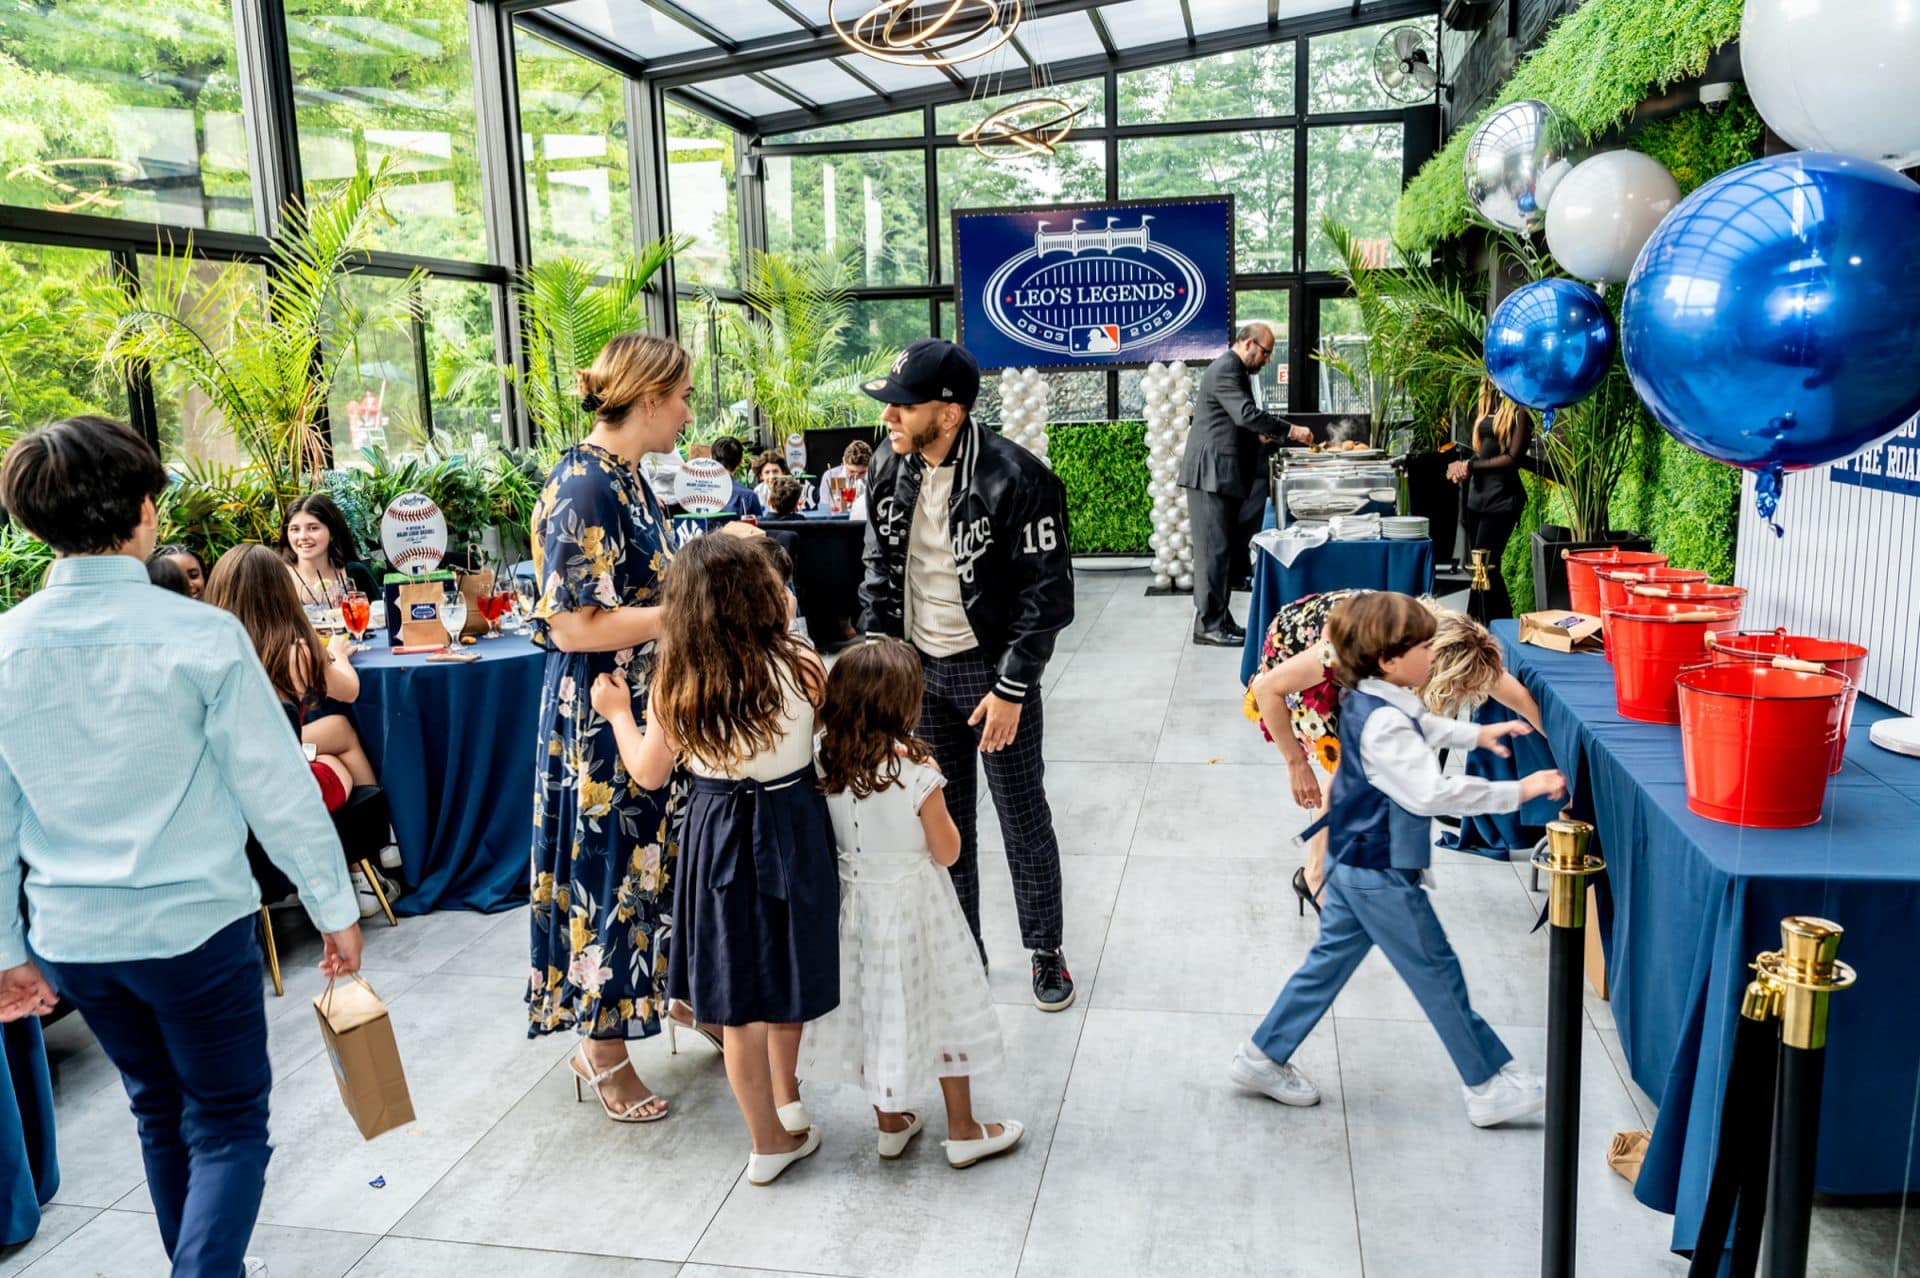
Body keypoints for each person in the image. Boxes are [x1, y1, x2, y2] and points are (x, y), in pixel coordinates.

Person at [0, 416, 362, 1276]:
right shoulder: (200, 635)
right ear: (144, 510)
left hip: (76, 939)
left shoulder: (6, 646)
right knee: (229, 1125)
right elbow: (277, 791)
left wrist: (7, 947)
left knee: (159, 1114)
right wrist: (333, 905)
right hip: (194, 929)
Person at [1228, 592, 1565, 1127]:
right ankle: (1486, 1086)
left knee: (1327, 966)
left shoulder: (1373, 694)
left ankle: (1261, 1056)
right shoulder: (1384, 720)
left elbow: (1424, 725)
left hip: (1354, 861)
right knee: (1437, 974)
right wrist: (1521, 791)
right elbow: (1433, 793)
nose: (1430, 654)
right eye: (1424, 649)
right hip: (1378, 869)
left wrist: (1478, 733)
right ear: (1390, 659)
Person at [592, 532, 839, 1187]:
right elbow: (820, 731)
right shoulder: (802, 660)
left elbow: (649, 773)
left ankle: (766, 1139)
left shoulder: (678, 678)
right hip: (792, 823)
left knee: (736, 1002)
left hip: (718, 832)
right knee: (787, 968)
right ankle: (788, 1096)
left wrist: (616, 713)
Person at [858, 338, 1078, 1011]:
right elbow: (877, 570)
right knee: (944, 821)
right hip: (920, 675)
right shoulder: (886, 466)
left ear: (949, 414)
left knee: (1021, 813)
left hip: (993, 673)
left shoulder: (1019, 477)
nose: (889, 416)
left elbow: (1047, 598)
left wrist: (1012, 688)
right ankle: (965, 949)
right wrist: (883, 667)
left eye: (903, 406)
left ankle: (1045, 949)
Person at [527, 333, 703, 1123]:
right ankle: (599, 1051)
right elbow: (571, 625)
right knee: (611, 871)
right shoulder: (584, 484)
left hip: (644, 697)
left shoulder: (627, 477)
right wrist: (688, 613)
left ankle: (667, 997)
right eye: (683, 398)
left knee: (654, 865)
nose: (689, 414)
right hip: (603, 709)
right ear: (649, 397)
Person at [797, 637, 1023, 1169]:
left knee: (877, 1011)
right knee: (944, 1009)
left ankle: (890, 1123)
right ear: (904, 707)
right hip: (918, 912)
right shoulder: (918, 774)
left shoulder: (823, 764)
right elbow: (948, 852)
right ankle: (963, 1130)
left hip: (855, 914)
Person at [1246, 594, 1545, 911]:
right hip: (1298, 645)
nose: (1461, 696)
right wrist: (1296, 764)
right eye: (1458, 688)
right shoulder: (1350, 649)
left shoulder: (1456, 646)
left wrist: (1566, 752)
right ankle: (1314, 877)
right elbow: (1267, 689)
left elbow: (1520, 700)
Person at [202, 544, 392, 919]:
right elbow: (349, 690)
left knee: (336, 728)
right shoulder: (294, 651)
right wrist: (337, 653)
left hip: (233, 789)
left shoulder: (206, 651)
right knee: (334, 760)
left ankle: (373, 866)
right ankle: (370, 865)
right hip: (285, 792)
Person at [1181, 323, 1315, 646]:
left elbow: (1232, 421)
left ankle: (1220, 619)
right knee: (1213, 554)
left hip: (1220, 475)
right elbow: (1244, 414)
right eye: (1266, 352)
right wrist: (1290, 430)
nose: (1267, 360)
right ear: (1249, 343)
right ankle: (1208, 625)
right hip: (1210, 476)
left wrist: (1258, 435)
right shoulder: (1227, 368)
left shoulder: (1233, 369)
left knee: (1223, 552)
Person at [1447, 388, 1532, 620]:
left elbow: (1513, 458)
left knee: (1487, 567)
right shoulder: (1489, 403)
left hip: (1502, 499)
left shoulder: (1520, 409)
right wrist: (1462, 466)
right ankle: (1477, 624)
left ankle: (1498, 625)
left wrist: (1470, 466)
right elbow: (1484, 453)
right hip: (1477, 498)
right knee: (1479, 569)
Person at [280, 493, 376, 608]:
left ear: (332, 533)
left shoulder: (356, 574)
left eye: (313, 528)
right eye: (295, 529)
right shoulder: (277, 577)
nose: (303, 536)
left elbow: (382, 615)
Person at [711, 435, 766, 518]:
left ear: (711, 459)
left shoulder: (695, 492)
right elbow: (757, 525)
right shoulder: (749, 496)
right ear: (740, 462)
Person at [820, 439, 872, 503]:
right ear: (844, 461)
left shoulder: (874, 477)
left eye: (862, 472)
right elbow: (824, 505)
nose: (856, 477)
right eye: (852, 471)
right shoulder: (832, 476)